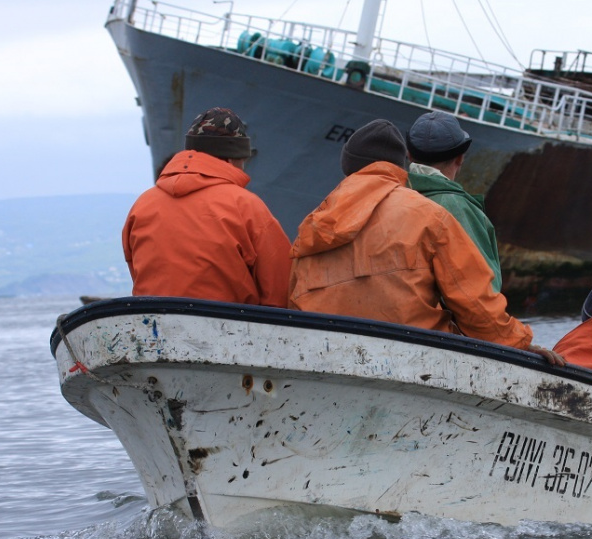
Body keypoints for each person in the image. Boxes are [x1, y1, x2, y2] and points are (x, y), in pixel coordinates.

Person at [288, 119, 563, 365]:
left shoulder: (312, 224)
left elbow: (290, 301)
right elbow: (474, 300)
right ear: (401, 162)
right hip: (413, 359)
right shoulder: (430, 216)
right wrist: (518, 345)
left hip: (325, 356)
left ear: (347, 166)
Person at [123, 107, 292, 307]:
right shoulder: (245, 206)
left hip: (155, 328)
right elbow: (280, 290)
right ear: (232, 159)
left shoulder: (142, 204)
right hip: (228, 331)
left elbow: (138, 272)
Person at [406, 111, 503, 292]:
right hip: (438, 319)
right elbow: (485, 292)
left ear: (409, 155)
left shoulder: (390, 197)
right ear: (460, 158)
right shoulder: (457, 209)